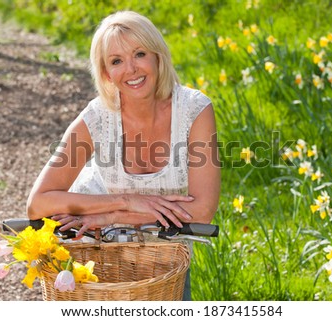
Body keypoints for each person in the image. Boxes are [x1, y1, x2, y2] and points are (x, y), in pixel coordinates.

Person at [26, 10, 220, 300]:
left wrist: (112, 216)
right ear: (106, 73)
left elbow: (202, 211)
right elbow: (37, 204)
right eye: (116, 61)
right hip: (97, 250)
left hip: (164, 256)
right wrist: (128, 201)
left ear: (157, 56)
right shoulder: (97, 117)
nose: (131, 69)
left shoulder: (194, 110)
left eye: (139, 54)